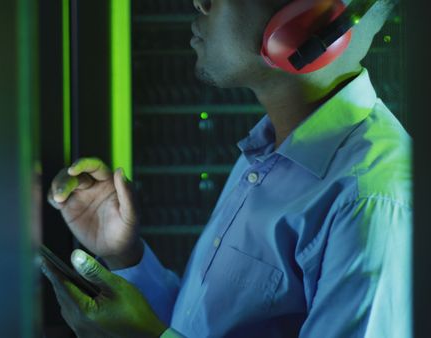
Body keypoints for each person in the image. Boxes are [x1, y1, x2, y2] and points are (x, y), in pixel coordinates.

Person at [40, 0, 411, 337]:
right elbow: (199, 329)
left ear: (303, 22)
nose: (200, 3)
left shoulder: (371, 200)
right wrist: (126, 255)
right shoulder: (271, 148)